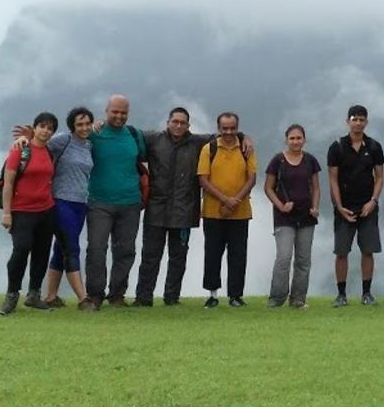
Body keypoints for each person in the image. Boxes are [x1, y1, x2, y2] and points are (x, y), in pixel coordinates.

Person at [137, 107, 250, 306]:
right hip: (157, 208)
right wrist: (99, 125)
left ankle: (171, 298)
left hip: (184, 211)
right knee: (150, 256)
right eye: (175, 121)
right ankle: (143, 298)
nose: (178, 125)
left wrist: (244, 136)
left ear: (189, 125)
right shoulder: (154, 139)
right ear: (168, 122)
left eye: (183, 122)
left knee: (178, 258)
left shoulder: (198, 142)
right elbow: (130, 134)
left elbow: (225, 134)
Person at [0, 112, 64, 315]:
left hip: (46, 210)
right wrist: (6, 213)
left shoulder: (49, 152)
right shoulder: (20, 149)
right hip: (22, 211)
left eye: (50, 128)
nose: (46, 130)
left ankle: (34, 295)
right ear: (34, 127)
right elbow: (8, 183)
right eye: (42, 126)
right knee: (21, 250)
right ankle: (11, 295)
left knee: (42, 253)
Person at [85, 94, 148, 309]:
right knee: (96, 249)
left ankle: (117, 295)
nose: (119, 116)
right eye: (115, 112)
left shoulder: (134, 135)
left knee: (125, 250)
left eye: (124, 112)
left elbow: (149, 154)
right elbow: (69, 142)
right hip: (99, 201)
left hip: (130, 202)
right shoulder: (94, 133)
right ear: (106, 110)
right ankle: (95, 295)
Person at [326, 104, 384, 307]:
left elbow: (379, 177)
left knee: (367, 251)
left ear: (366, 122)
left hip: (368, 207)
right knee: (341, 251)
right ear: (347, 121)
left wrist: (373, 201)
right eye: (354, 119)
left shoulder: (374, 146)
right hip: (344, 207)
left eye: (361, 119)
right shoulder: (337, 147)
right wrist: (339, 206)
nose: (358, 123)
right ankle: (341, 294)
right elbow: (332, 179)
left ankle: (366, 293)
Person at [38, 107, 96, 311]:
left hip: (81, 204)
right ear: (72, 125)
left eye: (87, 123)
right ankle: (83, 298)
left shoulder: (89, 145)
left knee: (60, 248)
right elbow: (40, 145)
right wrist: (26, 139)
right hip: (61, 201)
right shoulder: (63, 140)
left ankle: (51, 296)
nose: (84, 127)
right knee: (71, 247)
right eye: (79, 124)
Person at [197, 112, 257, 308]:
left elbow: (252, 178)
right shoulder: (209, 148)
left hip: (240, 212)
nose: (229, 132)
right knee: (213, 253)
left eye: (233, 128)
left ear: (238, 128)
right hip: (213, 212)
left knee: (238, 255)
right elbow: (203, 179)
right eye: (225, 128)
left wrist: (235, 201)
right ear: (219, 129)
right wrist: (225, 200)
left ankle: (235, 295)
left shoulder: (246, 149)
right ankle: (212, 295)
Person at [263, 124, 321, 308]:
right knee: (284, 257)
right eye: (292, 138)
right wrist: (281, 206)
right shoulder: (277, 161)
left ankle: (298, 299)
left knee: (303, 260)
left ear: (304, 139)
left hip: (306, 216)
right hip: (284, 217)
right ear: (286, 140)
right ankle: (277, 298)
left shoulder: (310, 160)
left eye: (299, 138)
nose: (296, 141)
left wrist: (315, 206)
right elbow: (268, 187)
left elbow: (316, 187)